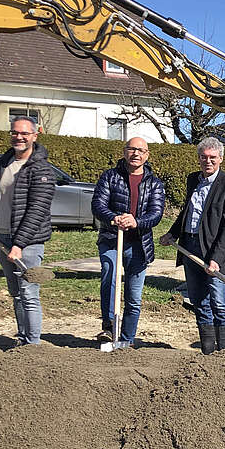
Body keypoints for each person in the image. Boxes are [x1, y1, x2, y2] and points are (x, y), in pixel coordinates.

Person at [160, 137, 225, 354]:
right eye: (204, 157)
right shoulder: (193, 180)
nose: (208, 161)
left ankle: (223, 352)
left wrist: (216, 258)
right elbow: (187, 213)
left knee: (218, 302)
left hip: (216, 250)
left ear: (221, 159)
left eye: (213, 158)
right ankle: (207, 351)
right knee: (199, 300)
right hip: (191, 247)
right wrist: (173, 233)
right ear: (198, 159)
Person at [0, 116, 55, 346]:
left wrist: (19, 244)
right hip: (2, 236)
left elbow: (37, 211)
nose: (18, 137)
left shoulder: (41, 169)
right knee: (15, 293)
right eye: (15, 132)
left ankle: (33, 346)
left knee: (29, 293)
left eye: (24, 133)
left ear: (34, 136)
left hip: (27, 242)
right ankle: (22, 340)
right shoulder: (4, 162)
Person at [91, 137, 165, 345]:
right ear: (124, 152)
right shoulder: (110, 177)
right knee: (110, 275)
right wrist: (113, 218)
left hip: (139, 244)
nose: (136, 154)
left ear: (147, 155)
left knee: (133, 296)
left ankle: (127, 339)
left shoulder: (154, 184)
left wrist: (136, 221)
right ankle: (108, 327)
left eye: (141, 150)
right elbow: (98, 204)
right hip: (111, 238)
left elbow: (156, 214)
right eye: (132, 149)